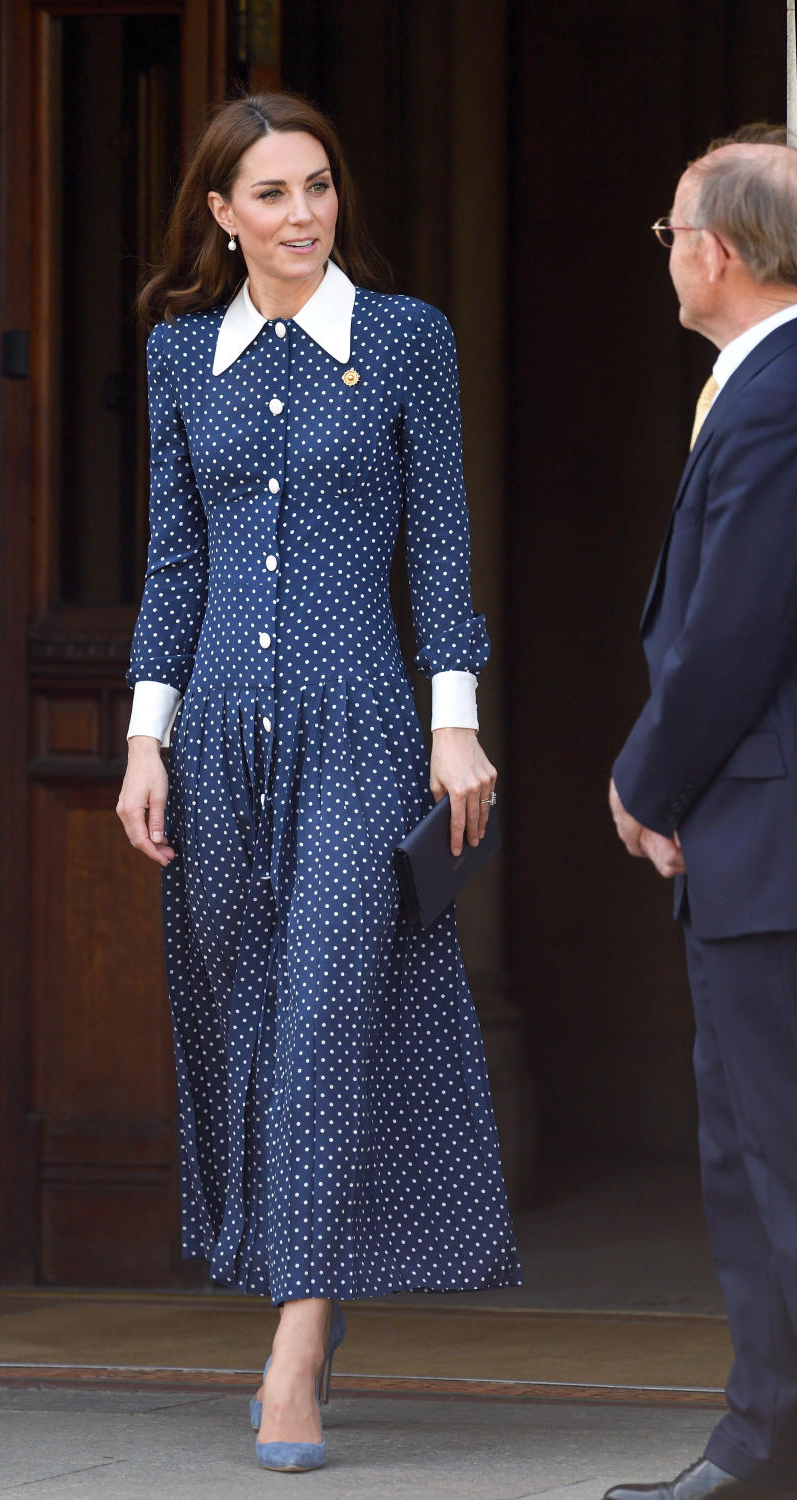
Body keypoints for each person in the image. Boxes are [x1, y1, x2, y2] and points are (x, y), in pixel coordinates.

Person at [116, 92, 520, 1474]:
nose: (302, 216)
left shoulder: (406, 342)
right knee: (253, 1017)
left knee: (331, 1008)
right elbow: (174, 564)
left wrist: (451, 723)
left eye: (319, 187)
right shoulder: (183, 360)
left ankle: (294, 1355)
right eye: (272, 195)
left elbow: (441, 552)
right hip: (219, 736)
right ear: (221, 218)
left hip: (362, 733)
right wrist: (141, 740)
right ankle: (306, 1275)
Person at [607, 142, 797, 1500]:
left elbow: (733, 632)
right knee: (747, 1158)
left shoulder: (778, 397)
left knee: (772, 1162)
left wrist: (642, 780)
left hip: (768, 845)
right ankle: (761, 1439)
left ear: (714, 252)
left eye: (670, 228)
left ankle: (764, 1445)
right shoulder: (760, 386)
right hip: (750, 841)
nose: (666, 247)